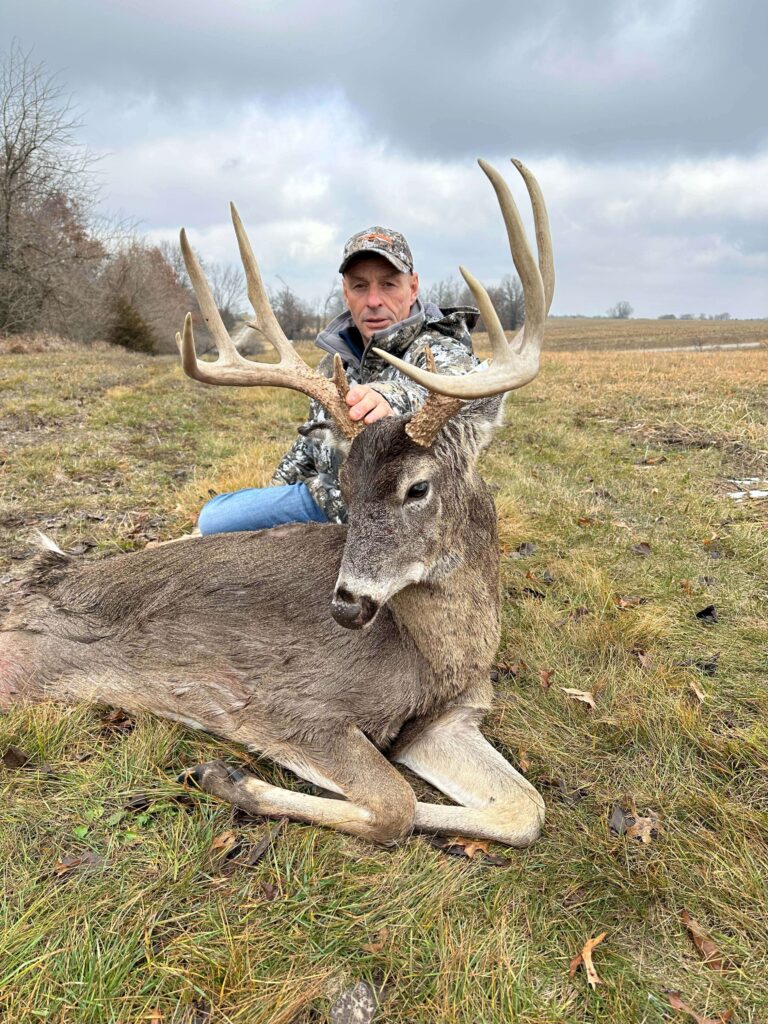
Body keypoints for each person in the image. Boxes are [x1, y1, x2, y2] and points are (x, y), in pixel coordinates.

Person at [197, 226, 479, 533]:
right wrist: (273, 493)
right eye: (360, 286)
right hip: (325, 502)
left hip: (400, 517)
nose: (373, 300)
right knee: (214, 518)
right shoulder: (334, 363)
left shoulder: (440, 349)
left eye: (388, 285)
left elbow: (460, 393)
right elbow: (307, 449)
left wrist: (389, 397)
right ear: (346, 293)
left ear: (413, 287)